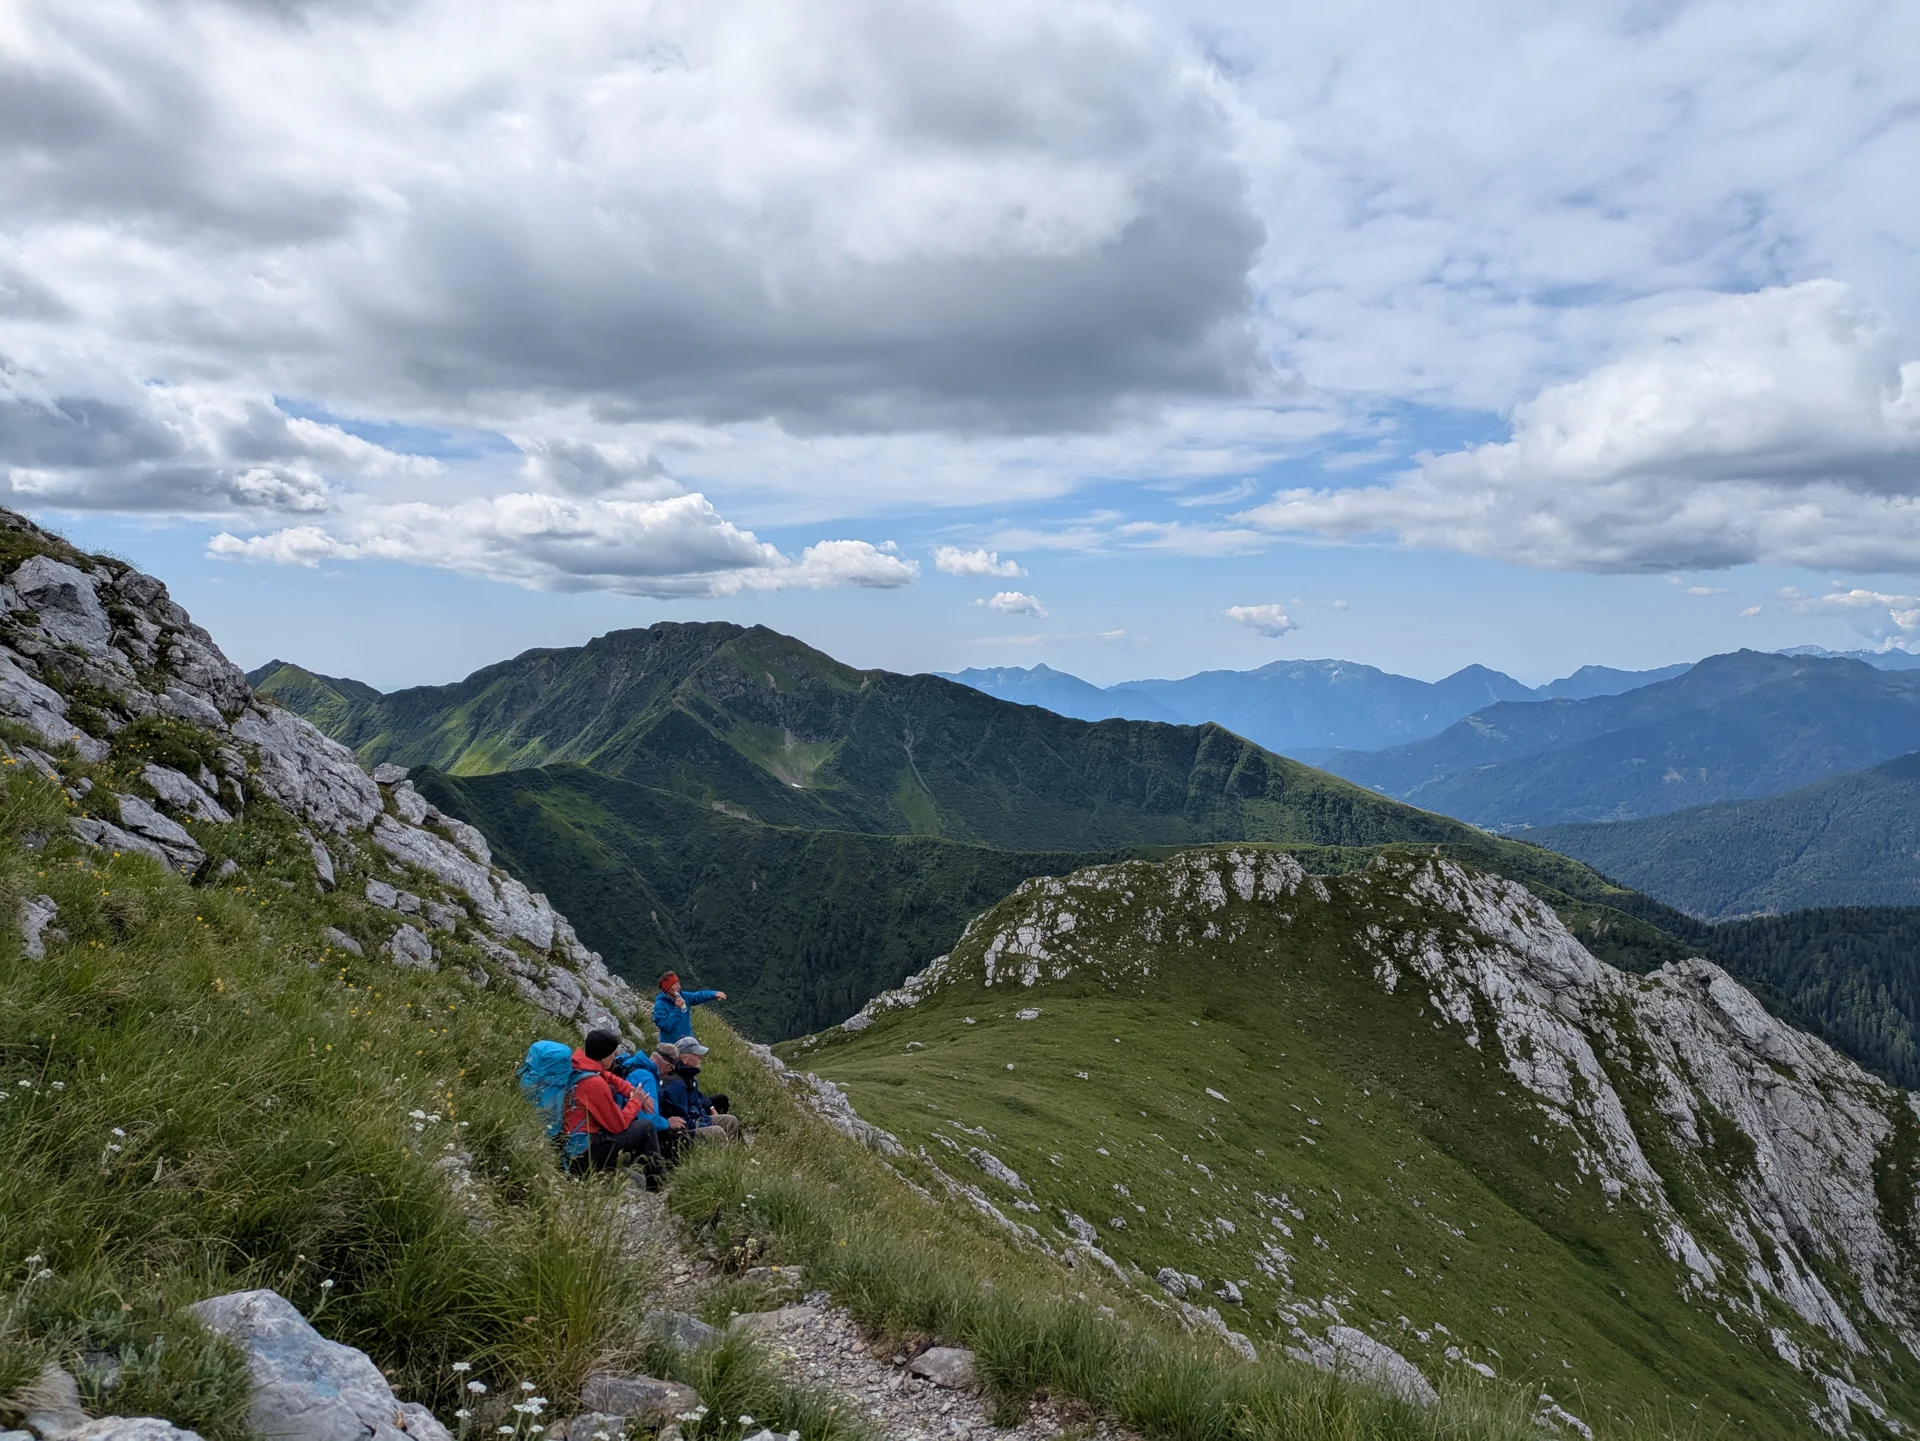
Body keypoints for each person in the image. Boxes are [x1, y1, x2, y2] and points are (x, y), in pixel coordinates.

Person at [564, 1029, 663, 1180]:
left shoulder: (579, 1066)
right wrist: (636, 1101)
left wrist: (630, 1090)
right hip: (583, 1154)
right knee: (646, 1127)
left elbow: (607, 1076)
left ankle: (623, 1162)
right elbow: (618, 1125)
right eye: (613, 1054)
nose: (614, 1057)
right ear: (605, 1056)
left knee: (612, 1090)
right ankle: (657, 1182)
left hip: (572, 1143)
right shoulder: (595, 1084)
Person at [612, 1040, 690, 1163]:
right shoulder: (647, 1078)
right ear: (668, 1067)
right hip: (625, 1127)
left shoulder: (627, 1061)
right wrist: (668, 1122)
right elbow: (649, 1120)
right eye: (671, 1072)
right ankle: (656, 1173)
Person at [659, 1037, 741, 1143]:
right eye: (697, 1055)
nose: (701, 1057)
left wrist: (707, 1117)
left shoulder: (688, 1077)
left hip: (697, 1120)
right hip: (682, 1131)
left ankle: (740, 1152)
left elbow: (698, 1102)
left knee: (731, 1120)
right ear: (685, 1059)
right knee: (717, 1131)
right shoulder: (676, 1084)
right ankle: (725, 1155)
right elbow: (683, 1120)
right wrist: (708, 1124)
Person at [653, 971, 726, 1046]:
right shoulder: (660, 1005)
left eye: (679, 983)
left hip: (687, 1043)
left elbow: (698, 996)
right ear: (667, 988)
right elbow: (665, 1026)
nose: (679, 987)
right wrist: (677, 1009)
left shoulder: (684, 996)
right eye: (675, 984)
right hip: (671, 1046)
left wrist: (714, 994)